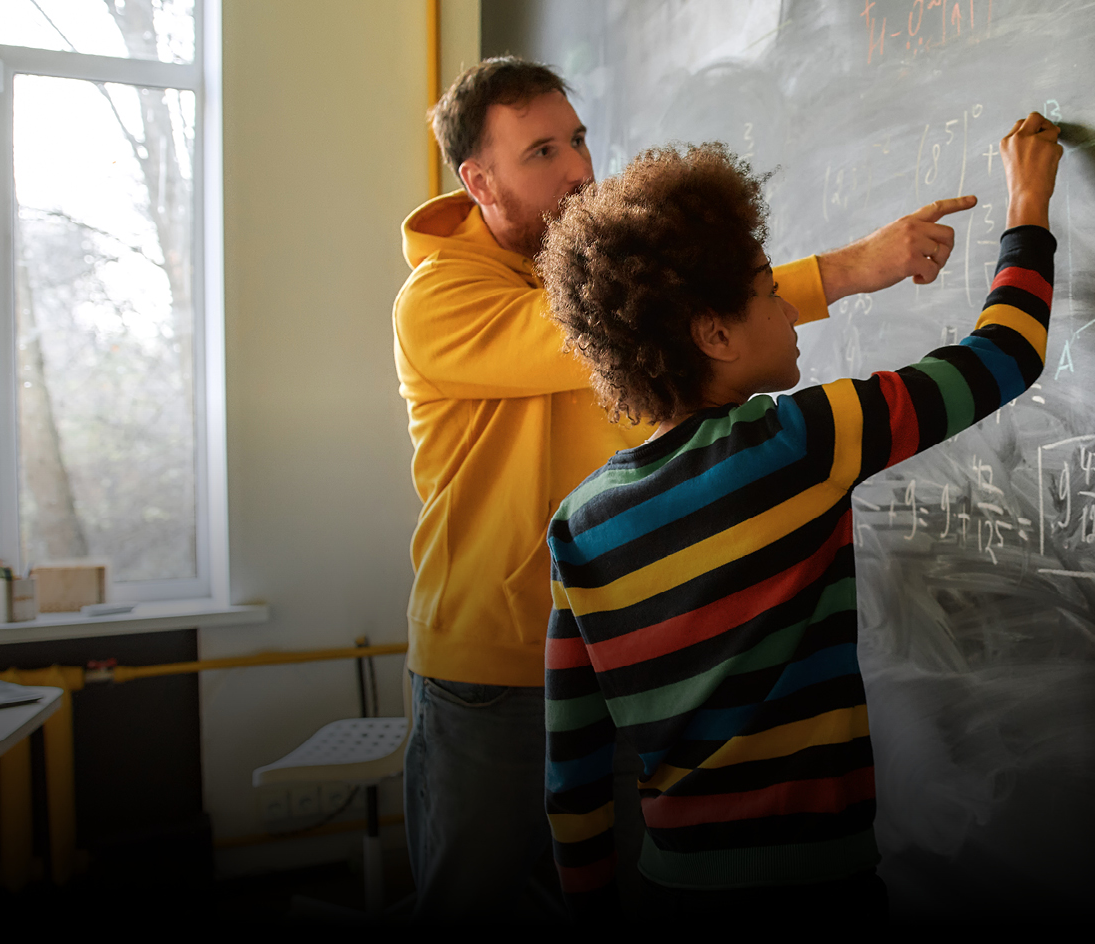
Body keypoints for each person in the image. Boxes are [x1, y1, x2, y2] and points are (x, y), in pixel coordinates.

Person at [394, 56, 976, 919]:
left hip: (625, 658)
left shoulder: (591, 273)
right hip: (492, 671)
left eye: (579, 140)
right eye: (542, 152)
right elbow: (597, 325)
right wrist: (849, 268)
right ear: (477, 180)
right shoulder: (439, 300)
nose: (580, 169)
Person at [538, 111, 1062, 919]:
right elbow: (1005, 355)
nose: (789, 310)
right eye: (767, 292)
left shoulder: (579, 522)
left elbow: (572, 772)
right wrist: (1028, 204)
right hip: (814, 888)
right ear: (714, 333)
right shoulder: (795, 441)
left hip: (672, 887)